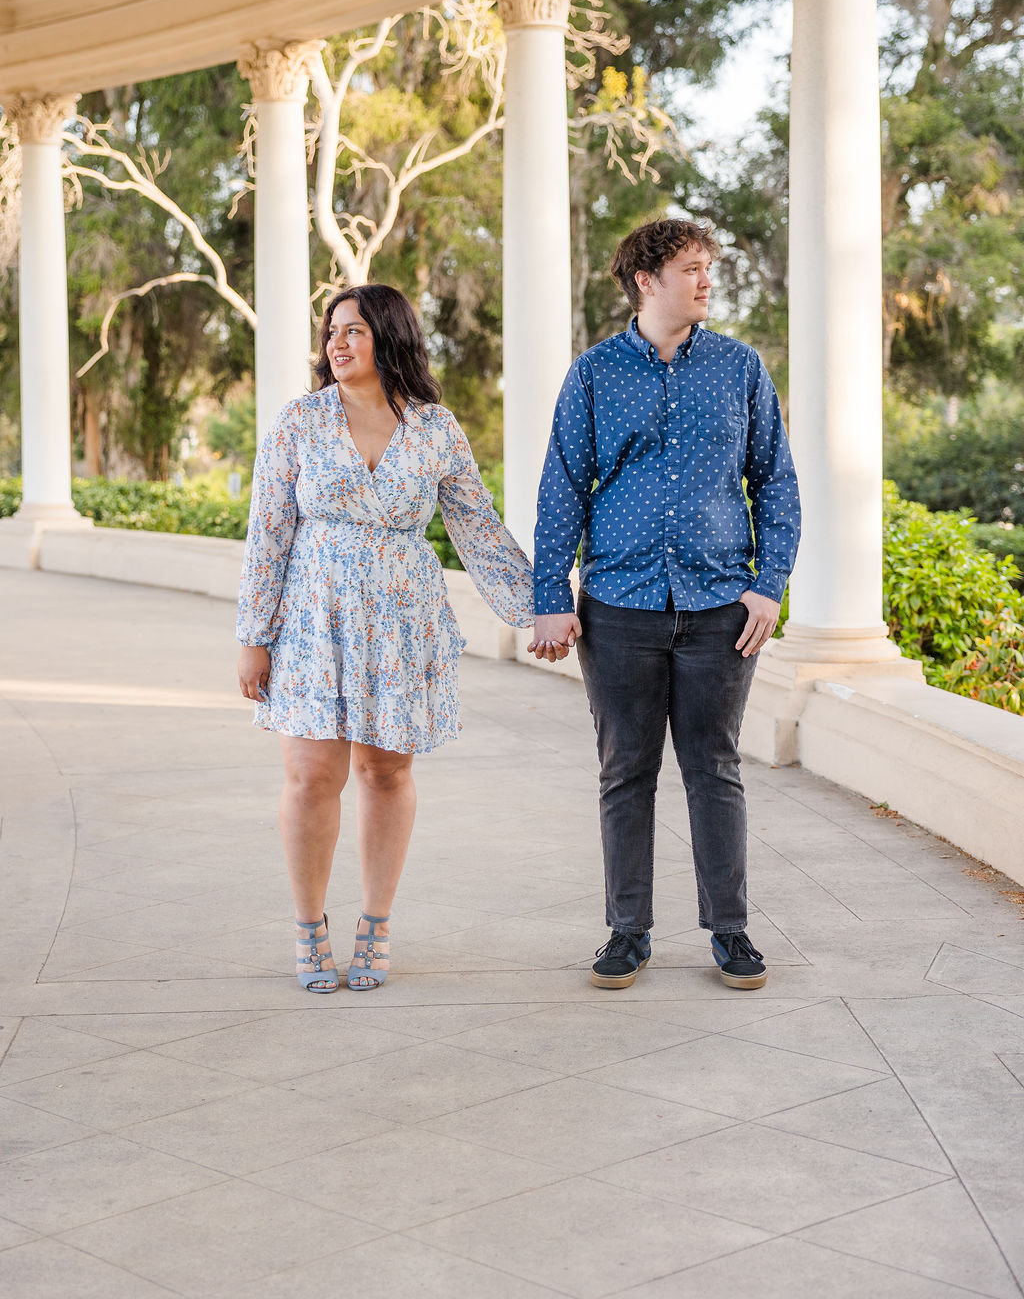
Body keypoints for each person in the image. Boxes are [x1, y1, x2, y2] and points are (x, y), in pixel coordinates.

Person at [237, 284, 534, 994]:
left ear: (391, 338)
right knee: (313, 777)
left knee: (385, 773)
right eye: (333, 332)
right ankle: (310, 925)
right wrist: (255, 634)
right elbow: (268, 533)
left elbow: (477, 529)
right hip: (313, 617)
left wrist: (541, 609)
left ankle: (376, 922)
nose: (338, 343)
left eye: (356, 331)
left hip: (402, 623)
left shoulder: (436, 429)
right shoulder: (300, 422)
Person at [529, 218, 800, 991]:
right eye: (692, 268)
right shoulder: (593, 375)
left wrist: (768, 582)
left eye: (709, 267)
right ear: (647, 280)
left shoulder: (741, 368)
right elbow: (562, 490)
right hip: (618, 605)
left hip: (720, 606)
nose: (707, 280)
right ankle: (627, 932)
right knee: (625, 771)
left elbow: (775, 480)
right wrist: (551, 598)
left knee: (714, 769)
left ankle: (731, 930)